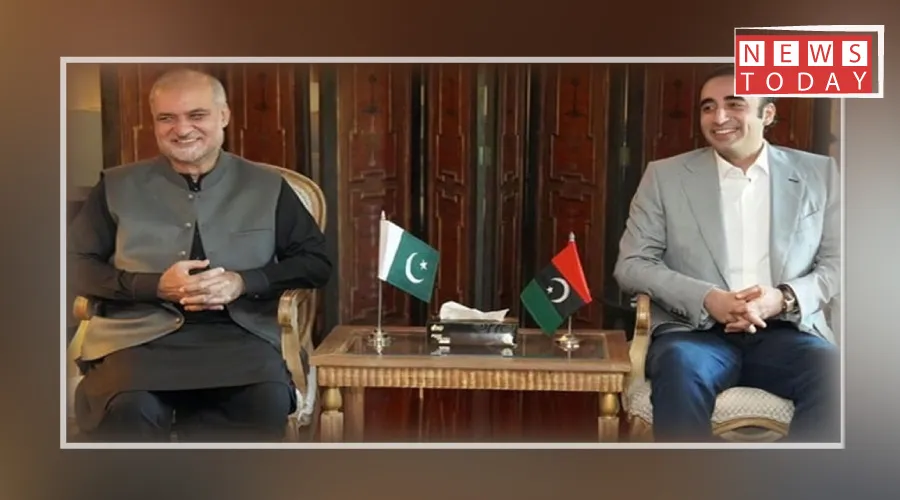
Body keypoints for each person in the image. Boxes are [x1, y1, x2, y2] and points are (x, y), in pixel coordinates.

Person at [67, 68, 332, 442]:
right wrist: (153, 286)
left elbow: (316, 263)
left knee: (263, 401)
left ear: (223, 116)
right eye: (167, 118)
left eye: (196, 115)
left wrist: (243, 281)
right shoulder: (116, 186)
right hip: (137, 338)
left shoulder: (267, 187)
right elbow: (73, 265)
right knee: (131, 408)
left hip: (240, 337)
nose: (182, 129)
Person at [613, 64, 840, 442]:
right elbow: (632, 265)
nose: (719, 118)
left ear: (767, 113)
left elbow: (839, 263)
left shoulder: (819, 173)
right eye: (708, 107)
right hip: (693, 335)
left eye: (734, 104)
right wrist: (708, 298)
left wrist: (782, 298)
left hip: (785, 330)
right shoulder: (665, 176)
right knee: (680, 367)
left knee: (837, 374)